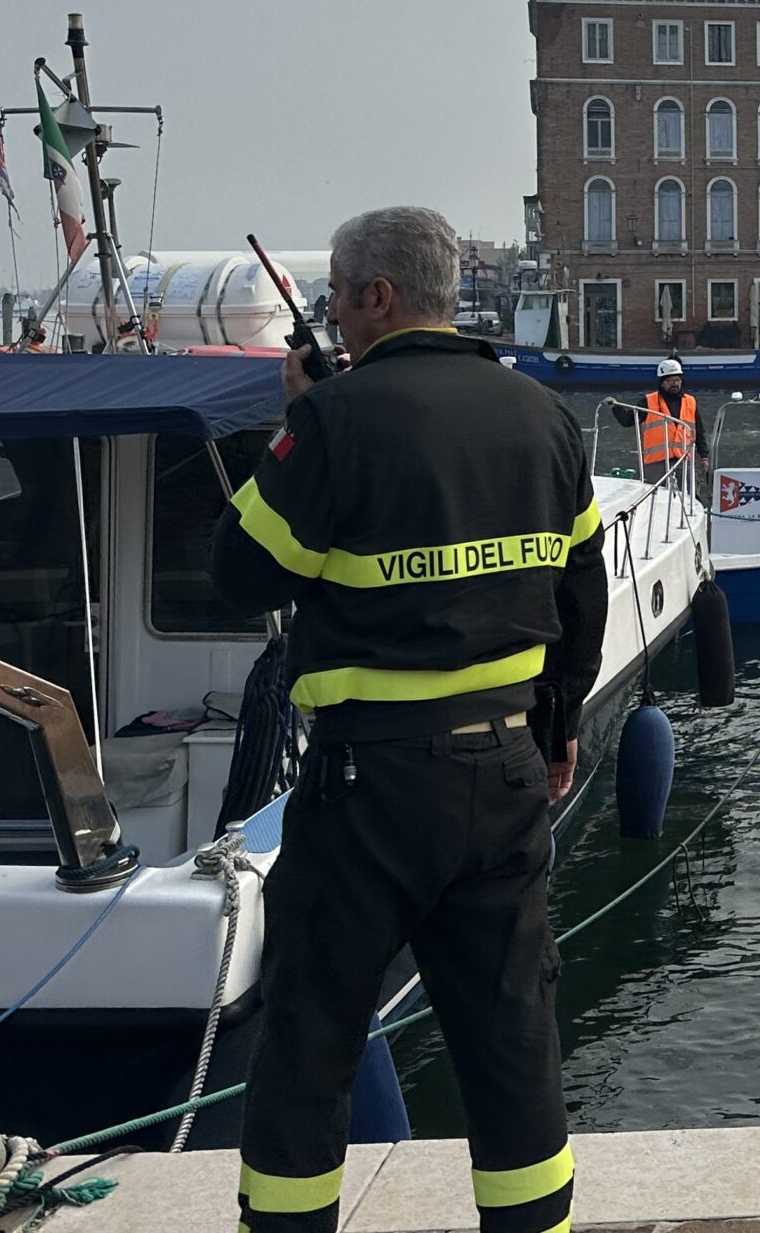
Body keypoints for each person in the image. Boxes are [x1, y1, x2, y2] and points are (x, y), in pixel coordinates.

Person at [210, 206, 604, 1233]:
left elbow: (238, 571)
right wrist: (558, 728)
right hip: (507, 774)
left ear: (379, 296)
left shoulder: (336, 423)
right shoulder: (541, 414)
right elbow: (582, 593)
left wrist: (301, 426)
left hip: (365, 790)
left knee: (309, 1043)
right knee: (513, 1040)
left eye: (341, 296)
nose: (335, 317)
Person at [614, 356, 707, 483]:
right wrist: (615, 407)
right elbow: (628, 420)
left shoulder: (691, 402)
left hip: (683, 460)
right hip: (656, 464)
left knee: (688, 496)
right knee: (657, 498)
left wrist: (704, 456)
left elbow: (699, 431)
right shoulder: (648, 401)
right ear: (662, 382)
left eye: (677, 380)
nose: (674, 383)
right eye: (670, 381)